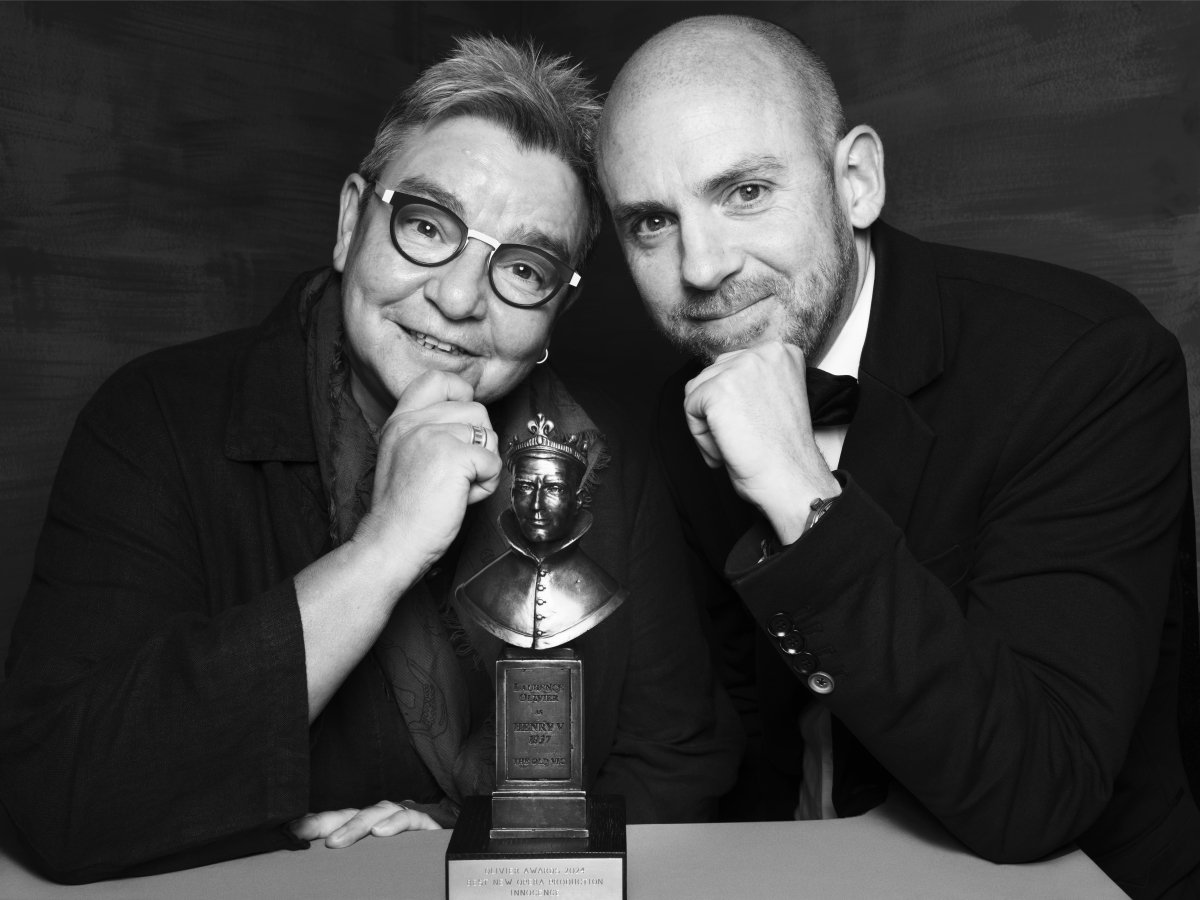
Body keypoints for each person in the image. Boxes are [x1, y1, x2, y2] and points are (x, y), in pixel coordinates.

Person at [0, 36, 738, 883]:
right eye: (428, 226)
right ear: (353, 220)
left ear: (553, 313)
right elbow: (62, 792)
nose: (459, 299)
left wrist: (465, 841)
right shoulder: (159, 419)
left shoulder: (609, 452)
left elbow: (680, 764)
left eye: (524, 269)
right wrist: (382, 552)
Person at [597, 14, 1200, 900]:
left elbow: (1039, 791)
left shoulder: (1086, 365)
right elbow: (716, 740)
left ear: (856, 181)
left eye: (746, 192)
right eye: (651, 221)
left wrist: (800, 490)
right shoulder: (681, 410)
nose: (701, 264)